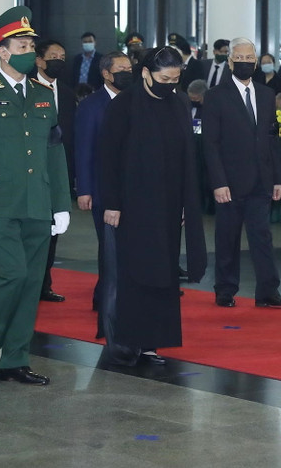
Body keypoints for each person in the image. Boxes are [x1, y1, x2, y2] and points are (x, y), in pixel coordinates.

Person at [0, 6, 71, 385]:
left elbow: (54, 151)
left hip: (37, 203)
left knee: (30, 282)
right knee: (12, 275)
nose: (29, 50)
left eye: (30, 45)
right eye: (22, 45)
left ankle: (16, 360)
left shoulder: (43, 94)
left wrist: (60, 202)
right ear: (3, 51)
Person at [98, 46, 207, 366]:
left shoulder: (178, 102)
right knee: (133, 273)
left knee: (163, 272)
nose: (169, 84)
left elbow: (187, 157)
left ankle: (153, 340)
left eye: (175, 78)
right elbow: (108, 158)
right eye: (164, 78)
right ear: (145, 73)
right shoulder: (124, 105)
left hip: (168, 204)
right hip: (132, 205)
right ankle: (127, 339)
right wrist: (112, 203)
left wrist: (187, 202)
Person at [203, 38, 281, 308]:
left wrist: (277, 178)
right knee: (227, 237)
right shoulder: (215, 96)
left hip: (261, 180)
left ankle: (268, 292)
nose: (244, 63)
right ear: (230, 62)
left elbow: (271, 139)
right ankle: (225, 289)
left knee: (262, 237)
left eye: (248, 59)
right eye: (238, 59)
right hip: (229, 181)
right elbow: (210, 144)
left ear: (256, 61)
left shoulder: (266, 95)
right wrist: (218, 182)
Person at [74, 51, 133, 321]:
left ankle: (125, 292)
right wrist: (84, 189)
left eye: (129, 68)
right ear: (106, 74)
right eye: (120, 69)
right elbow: (84, 150)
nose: (126, 73)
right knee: (109, 245)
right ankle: (106, 295)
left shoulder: (138, 99)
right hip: (102, 189)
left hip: (135, 188)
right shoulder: (91, 106)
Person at [34, 39, 78, 303]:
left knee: (53, 231)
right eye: (53, 56)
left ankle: (44, 283)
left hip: (59, 171)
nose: (58, 60)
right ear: (39, 60)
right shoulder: (27, 89)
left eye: (62, 56)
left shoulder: (68, 93)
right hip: (33, 170)